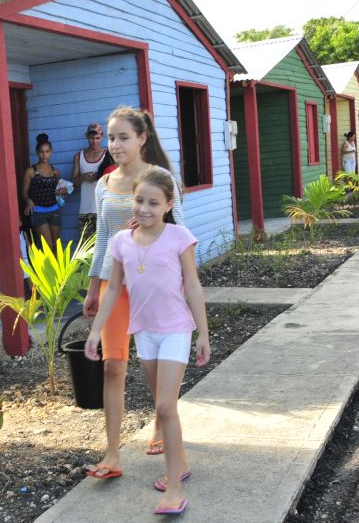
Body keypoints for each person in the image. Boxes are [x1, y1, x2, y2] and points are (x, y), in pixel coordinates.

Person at [85, 169, 209, 516]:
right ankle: (180, 460)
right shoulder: (121, 242)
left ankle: (173, 488)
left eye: (154, 203)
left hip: (175, 330)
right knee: (161, 405)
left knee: (166, 407)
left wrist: (203, 333)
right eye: (139, 200)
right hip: (145, 333)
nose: (144, 208)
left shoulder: (179, 237)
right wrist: (96, 330)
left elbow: (193, 287)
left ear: (169, 205)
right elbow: (113, 293)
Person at [82, 106, 184, 479]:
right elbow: (102, 240)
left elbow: (179, 238)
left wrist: (145, 228)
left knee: (154, 365)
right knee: (112, 366)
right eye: (111, 137)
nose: (115, 145)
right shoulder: (103, 185)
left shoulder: (159, 180)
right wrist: (94, 288)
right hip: (113, 286)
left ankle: (162, 421)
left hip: (151, 286)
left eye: (123, 137)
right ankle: (112, 455)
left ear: (142, 138)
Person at [21, 133, 66, 249]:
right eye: (41, 151)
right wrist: (28, 200)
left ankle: (56, 268)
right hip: (38, 212)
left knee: (56, 246)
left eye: (47, 151)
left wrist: (62, 192)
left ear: (51, 152)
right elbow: (24, 192)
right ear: (37, 152)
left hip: (55, 211)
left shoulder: (55, 172)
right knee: (48, 246)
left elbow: (58, 193)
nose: (44, 155)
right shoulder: (31, 171)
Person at [71, 123, 107, 238]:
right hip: (85, 211)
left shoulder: (108, 155)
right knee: (86, 251)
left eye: (97, 138)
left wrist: (99, 176)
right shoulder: (79, 156)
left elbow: (117, 181)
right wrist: (83, 177)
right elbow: (73, 184)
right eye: (91, 138)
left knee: (106, 249)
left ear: (102, 136)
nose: (94, 141)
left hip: (103, 211)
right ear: (86, 136)